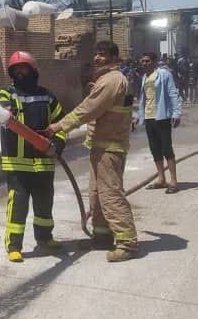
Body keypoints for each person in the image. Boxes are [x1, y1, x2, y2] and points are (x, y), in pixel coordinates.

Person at [46, 41, 138, 262]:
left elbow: (88, 110)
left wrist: (58, 126)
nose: (97, 58)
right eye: (96, 54)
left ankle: (127, 243)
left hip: (110, 147)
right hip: (101, 146)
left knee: (110, 195)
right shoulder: (107, 80)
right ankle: (101, 237)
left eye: (103, 55)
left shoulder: (111, 81)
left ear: (115, 58)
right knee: (97, 196)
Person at [0, 51, 67, 263]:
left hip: (44, 162)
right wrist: (5, 110)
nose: (20, 73)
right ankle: (14, 246)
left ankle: (45, 238)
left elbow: (61, 123)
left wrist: (59, 141)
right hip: (17, 163)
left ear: (34, 71)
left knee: (45, 204)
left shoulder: (48, 97)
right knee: (18, 205)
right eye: (16, 70)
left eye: (24, 69)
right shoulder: (7, 94)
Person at [134, 52, 182, 193]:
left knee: (167, 148)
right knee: (155, 149)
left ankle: (173, 181)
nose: (144, 63)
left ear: (155, 62)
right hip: (149, 118)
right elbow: (143, 99)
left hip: (162, 117)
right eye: (142, 61)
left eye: (147, 61)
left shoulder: (164, 74)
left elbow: (173, 93)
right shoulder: (144, 78)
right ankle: (161, 179)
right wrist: (138, 116)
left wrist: (176, 113)